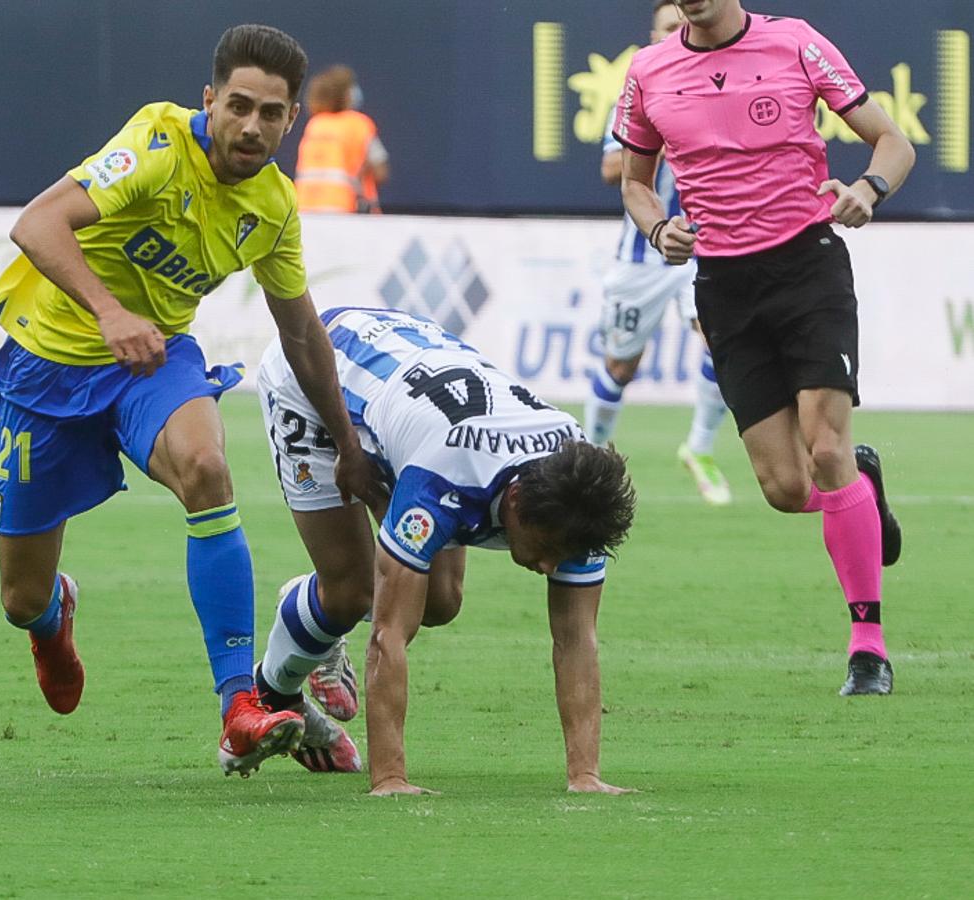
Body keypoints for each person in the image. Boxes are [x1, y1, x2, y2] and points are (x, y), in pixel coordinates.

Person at [0, 24, 380, 777]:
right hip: (45, 367)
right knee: (18, 594)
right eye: (238, 106)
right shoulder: (158, 146)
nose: (251, 126)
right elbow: (36, 224)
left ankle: (241, 706)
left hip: (153, 363)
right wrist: (109, 312)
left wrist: (349, 449)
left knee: (206, 467)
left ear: (292, 118)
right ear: (209, 101)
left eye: (270, 113)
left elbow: (301, 333)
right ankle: (50, 618)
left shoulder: (272, 206)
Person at [613, 0, 915, 694]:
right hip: (723, 285)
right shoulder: (648, 70)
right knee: (785, 488)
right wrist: (659, 231)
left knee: (826, 446)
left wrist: (867, 190)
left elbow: (891, 143)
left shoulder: (795, 44)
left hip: (808, 265)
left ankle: (866, 646)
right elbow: (635, 182)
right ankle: (860, 492)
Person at [254, 307, 636, 794]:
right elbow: (389, 637)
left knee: (439, 604)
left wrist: (585, 776)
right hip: (316, 372)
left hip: (422, 392)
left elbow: (576, 639)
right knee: (352, 590)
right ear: (515, 501)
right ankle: (287, 662)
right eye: (545, 550)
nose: (548, 567)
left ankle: (320, 607)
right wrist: (390, 779)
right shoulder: (443, 479)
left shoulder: (580, 490)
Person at [588, 0, 732, 506]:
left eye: (684, 25)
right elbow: (612, 171)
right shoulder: (638, 92)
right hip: (643, 254)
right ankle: (593, 454)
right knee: (620, 366)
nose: (679, 32)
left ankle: (699, 447)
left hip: (704, 250)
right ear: (653, 35)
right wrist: (672, 133)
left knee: (720, 341)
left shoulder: (719, 86)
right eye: (668, 27)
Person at [294, 65, 389, 214]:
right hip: (346, 210)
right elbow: (381, 172)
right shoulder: (359, 124)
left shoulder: (314, 125)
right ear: (345, 94)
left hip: (305, 209)